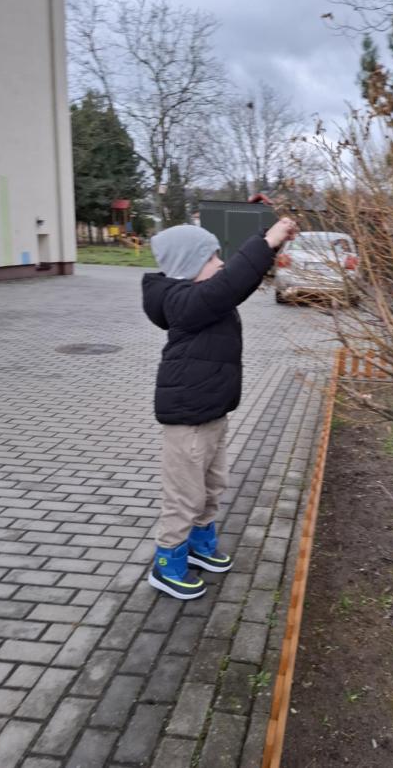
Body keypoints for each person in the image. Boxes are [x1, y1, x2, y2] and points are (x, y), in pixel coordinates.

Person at [142, 218, 297, 599]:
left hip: (211, 411)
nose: (220, 263)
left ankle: (199, 543)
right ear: (188, 266)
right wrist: (265, 242)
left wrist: (268, 247)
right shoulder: (182, 302)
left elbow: (233, 283)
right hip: (188, 418)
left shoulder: (203, 297)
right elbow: (228, 286)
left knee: (212, 485)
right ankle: (167, 562)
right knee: (185, 494)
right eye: (211, 258)